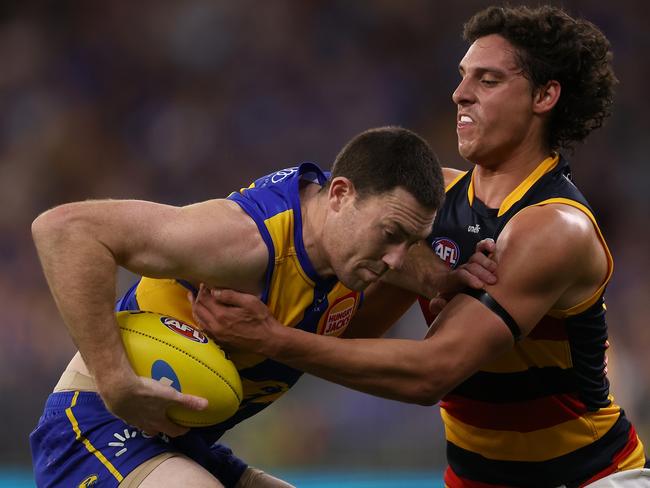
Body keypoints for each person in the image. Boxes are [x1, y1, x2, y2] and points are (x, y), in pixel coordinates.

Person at [191, 5, 649, 487]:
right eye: (462, 76)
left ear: (545, 95)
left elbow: (433, 372)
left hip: (588, 477)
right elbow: (348, 331)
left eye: (487, 80)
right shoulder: (433, 205)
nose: (459, 93)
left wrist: (271, 337)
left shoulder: (554, 226)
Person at [30, 126, 498, 488]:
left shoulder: (350, 252)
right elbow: (65, 230)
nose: (397, 257)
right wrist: (114, 380)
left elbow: (431, 213)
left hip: (180, 445)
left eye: (412, 242)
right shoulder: (241, 242)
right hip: (97, 426)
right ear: (339, 195)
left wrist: (435, 274)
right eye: (392, 236)